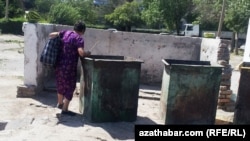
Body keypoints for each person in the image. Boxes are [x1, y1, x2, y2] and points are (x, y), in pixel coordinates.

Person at [49, 20, 91, 116]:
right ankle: (65, 109)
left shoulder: (66, 33)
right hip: (69, 67)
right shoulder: (79, 39)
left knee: (60, 84)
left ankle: (60, 103)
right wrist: (87, 53)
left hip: (59, 64)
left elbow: (51, 35)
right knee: (70, 87)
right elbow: (81, 52)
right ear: (83, 30)